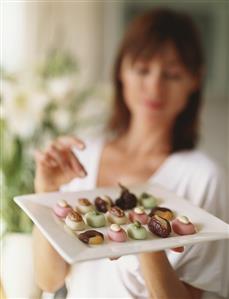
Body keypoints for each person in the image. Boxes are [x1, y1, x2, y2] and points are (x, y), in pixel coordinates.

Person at [33, 8, 228, 299]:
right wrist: (46, 192)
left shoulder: (204, 178)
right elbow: (49, 281)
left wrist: (147, 243)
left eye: (172, 74)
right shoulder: (79, 158)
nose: (154, 87)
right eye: (142, 69)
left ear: (194, 81)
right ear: (121, 71)